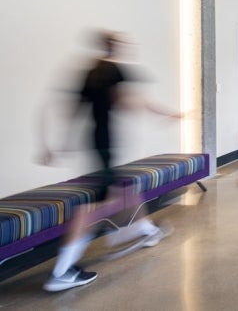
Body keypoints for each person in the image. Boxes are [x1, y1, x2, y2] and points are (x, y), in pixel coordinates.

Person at [41, 31, 181, 292]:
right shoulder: (112, 70)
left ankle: (145, 230)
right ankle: (61, 272)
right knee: (96, 207)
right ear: (113, 47)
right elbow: (131, 102)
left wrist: (57, 146)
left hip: (95, 143)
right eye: (121, 44)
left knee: (125, 190)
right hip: (104, 145)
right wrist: (168, 114)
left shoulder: (90, 72)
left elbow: (73, 109)